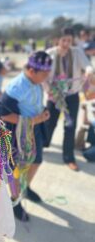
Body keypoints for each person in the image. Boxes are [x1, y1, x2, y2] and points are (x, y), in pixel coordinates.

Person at [0, 51, 52, 221]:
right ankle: (15, 201)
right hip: (19, 133)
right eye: (44, 73)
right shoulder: (16, 87)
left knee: (36, 161)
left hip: (34, 128)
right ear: (31, 70)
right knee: (17, 168)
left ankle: (25, 188)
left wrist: (42, 112)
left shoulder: (36, 82)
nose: (46, 77)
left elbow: (34, 102)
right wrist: (35, 119)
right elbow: (5, 115)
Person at [45, 27, 93, 171]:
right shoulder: (49, 54)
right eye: (64, 40)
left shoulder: (77, 52)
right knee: (49, 123)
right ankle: (41, 145)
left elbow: (88, 66)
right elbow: (43, 76)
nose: (66, 43)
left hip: (72, 95)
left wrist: (89, 72)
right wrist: (49, 91)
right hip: (54, 95)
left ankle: (69, 158)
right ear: (57, 40)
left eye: (69, 41)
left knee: (70, 126)